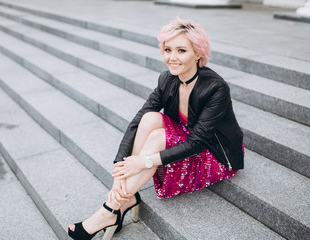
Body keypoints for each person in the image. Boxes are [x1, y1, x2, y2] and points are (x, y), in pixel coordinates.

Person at [68, 18, 244, 240]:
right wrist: (120, 170)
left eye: (181, 50)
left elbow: (197, 142)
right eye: (167, 49)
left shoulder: (215, 88)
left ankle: (109, 211)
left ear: (198, 53)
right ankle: (126, 195)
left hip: (213, 154)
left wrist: (143, 162)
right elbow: (139, 119)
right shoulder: (167, 79)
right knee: (151, 118)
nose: (172, 57)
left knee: (158, 137)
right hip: (184, 135)